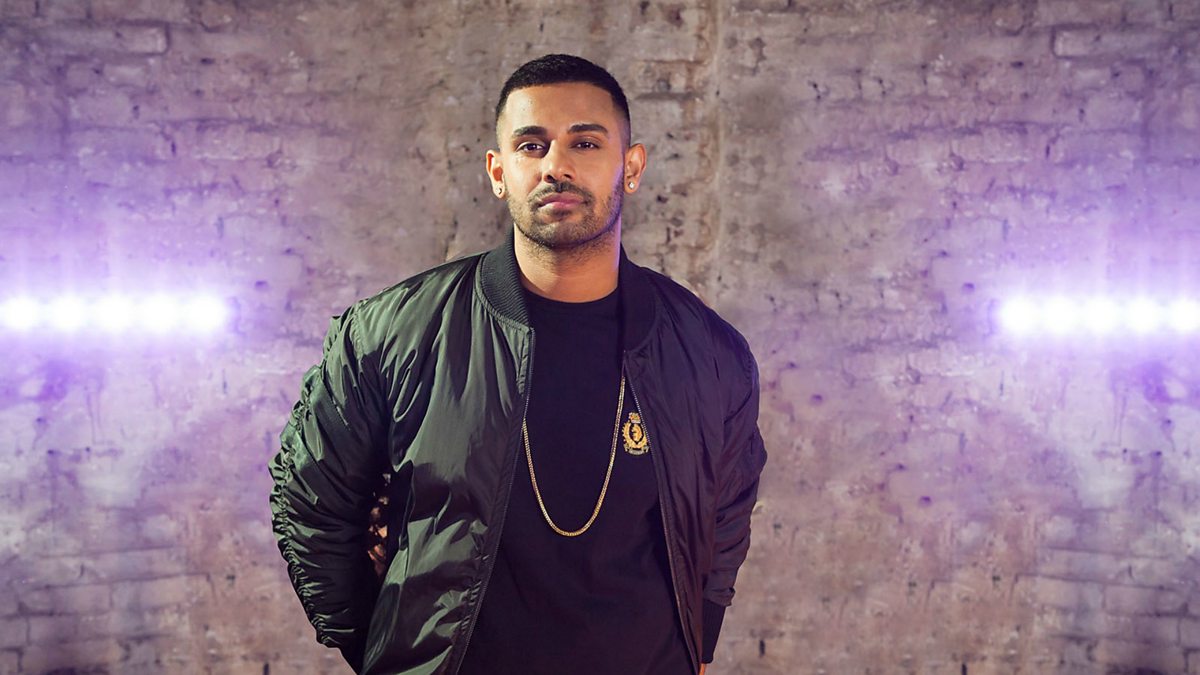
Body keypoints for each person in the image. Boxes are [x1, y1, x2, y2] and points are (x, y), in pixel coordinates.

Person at [268, 53, 767, 675]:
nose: (556, 165)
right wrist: (387, 651)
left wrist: (700, 642)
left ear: (631, 167)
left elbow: (725, 517)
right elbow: (311, 504)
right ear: (499, 172)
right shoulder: (391, 333)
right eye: (532, 146)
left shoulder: (709, 352)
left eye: (585, 142)